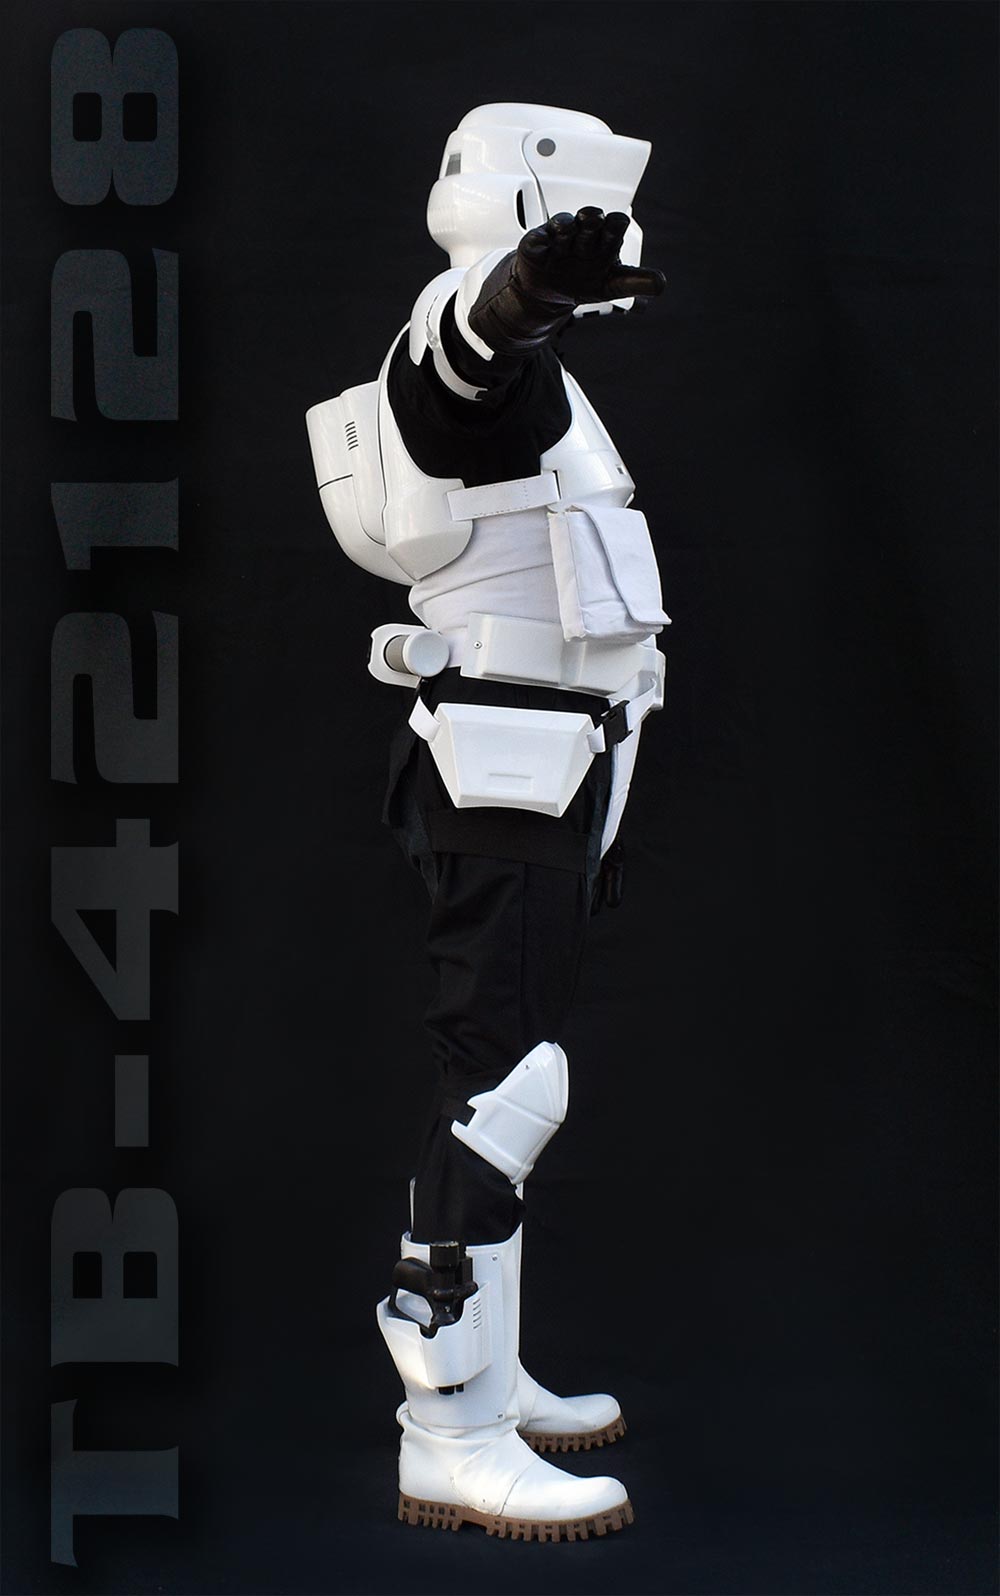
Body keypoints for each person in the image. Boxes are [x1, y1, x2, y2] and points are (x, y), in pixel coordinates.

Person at [306, 102, 668, 1542]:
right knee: (501, 1085)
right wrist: (521, 292)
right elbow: (465, 360)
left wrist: (530, 307)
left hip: (534, 762)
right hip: (502, 769)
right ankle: (445, 1428)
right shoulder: (463, 336)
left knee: (510, 1069)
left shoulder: (531, 376)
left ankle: (492, 1379)